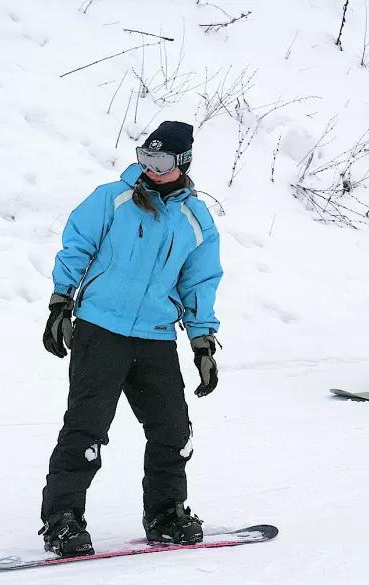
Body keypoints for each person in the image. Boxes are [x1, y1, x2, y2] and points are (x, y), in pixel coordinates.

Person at [38, 121, 223, 557]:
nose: (150, 168)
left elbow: (200, 282)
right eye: (145, 157)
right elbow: (77, 247)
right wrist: (60, 302)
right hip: (101, 329)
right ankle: (62, 520)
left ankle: (166, 513)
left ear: (182, 162)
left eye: (160, 160)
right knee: (86, 430)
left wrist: (202, 342)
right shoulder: (112, 198)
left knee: (173, 431)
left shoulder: (196, 219)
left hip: (156, 337)